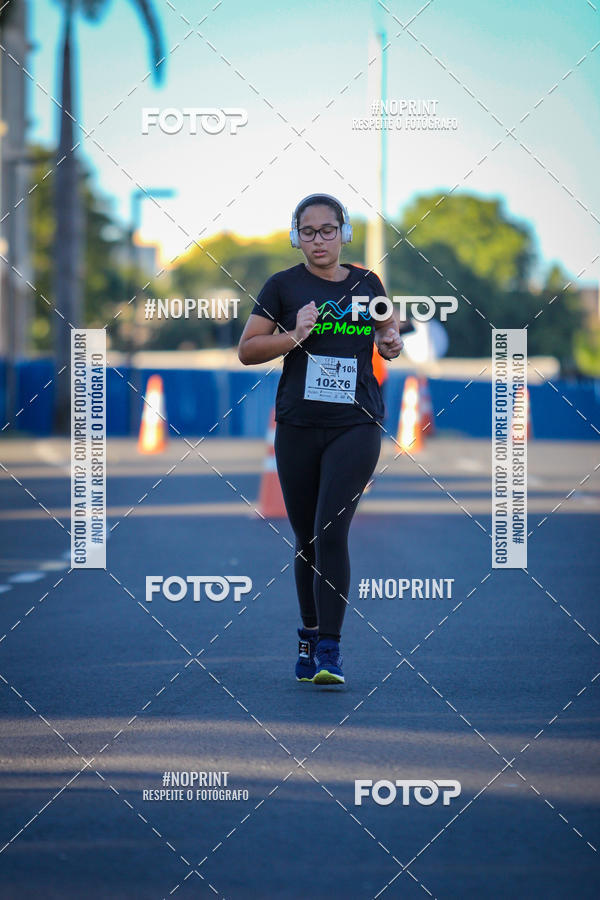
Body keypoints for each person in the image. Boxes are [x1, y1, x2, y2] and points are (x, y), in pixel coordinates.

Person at [238, 193, 404, 685]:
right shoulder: (282, 286)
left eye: (327, 230)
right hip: (298, 426)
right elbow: (247, 349)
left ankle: (330, 650)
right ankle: (309, 636)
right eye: (308, 232)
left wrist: (390, 342)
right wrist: (294, 335)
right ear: (296, 237)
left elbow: (388, 334)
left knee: (331, 531)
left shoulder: (367, 283)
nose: (318, 240)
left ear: (343, 233)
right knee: (307, 538)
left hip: (356, 424)